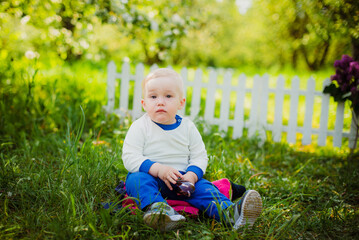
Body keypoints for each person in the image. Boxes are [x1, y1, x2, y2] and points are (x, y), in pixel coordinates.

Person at [122, 68, 262, 231]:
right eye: (153, 96)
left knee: (206, 189)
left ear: (181, 102)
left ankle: (231, 213)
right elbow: (130, 157)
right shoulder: (140, 127)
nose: (160, 102)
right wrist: (158, 169)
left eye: (168, 96)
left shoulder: (188, 127)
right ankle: (158, 210)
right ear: (144, 103)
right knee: (135, 179)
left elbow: (200, 157)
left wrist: (192, 176)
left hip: (184, 182)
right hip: (152, 177)